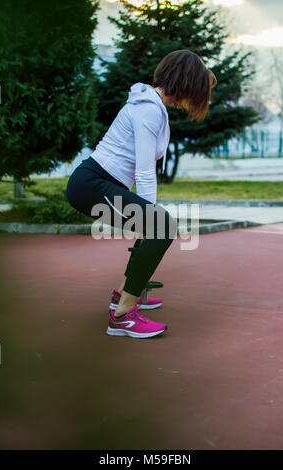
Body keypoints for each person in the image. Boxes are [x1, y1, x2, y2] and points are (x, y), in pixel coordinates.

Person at [66, 49, 217, 339]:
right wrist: (150, 217)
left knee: (157, 225)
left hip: (97, 182)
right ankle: (123, 314)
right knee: (161, 226)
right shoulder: (149, 108)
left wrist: (149, 218)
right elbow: (146, 171)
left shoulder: (151, 104)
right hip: (91, 183)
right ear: (186, 82)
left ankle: (123, 293)